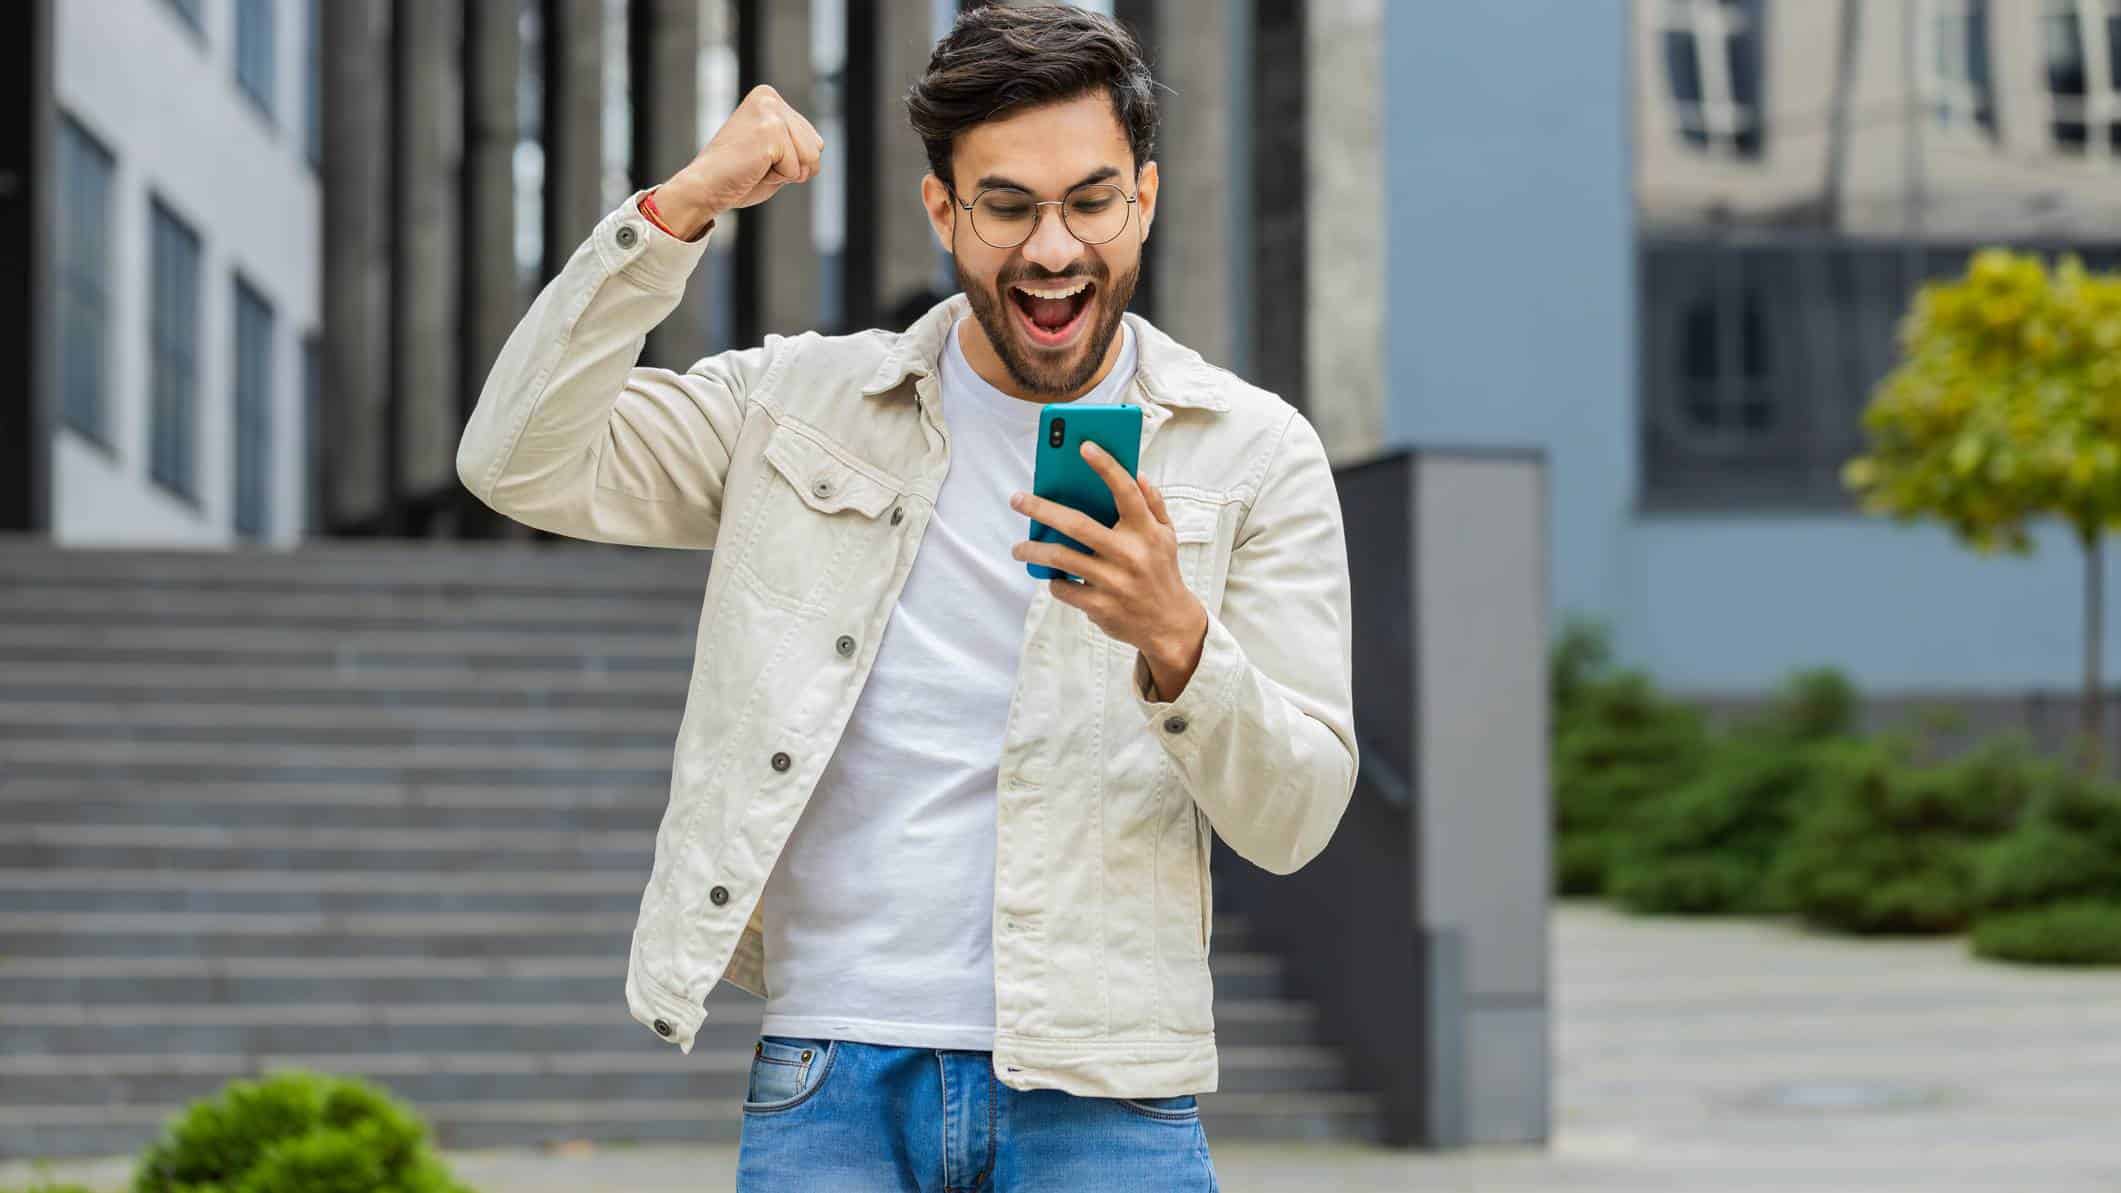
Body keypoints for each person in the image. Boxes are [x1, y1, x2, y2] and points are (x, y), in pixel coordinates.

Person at [455, 5, 1356, 1189]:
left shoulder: (1254, 451)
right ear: (943, 211)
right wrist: (676, 214)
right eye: (1007, 206)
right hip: (834, 1073)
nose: (1052, 249)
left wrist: (1177, 638)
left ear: (1143, 199)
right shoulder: (797, 404)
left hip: (1107, 1093)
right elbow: (516, 461)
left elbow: (1297, 816)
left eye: (1090, 202)